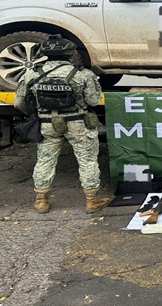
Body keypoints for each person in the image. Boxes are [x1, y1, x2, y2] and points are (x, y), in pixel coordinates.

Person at [14, 35, 110, 214]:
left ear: (44, 53)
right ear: (71, 53)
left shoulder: (32, 74)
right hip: (78, 122)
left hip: (47, 123)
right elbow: (94, 100)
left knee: (45, 160)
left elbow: (19, 103)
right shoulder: (83, 74)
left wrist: (35, 112)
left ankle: (41, 201)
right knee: (87, 160)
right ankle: (91, 201)